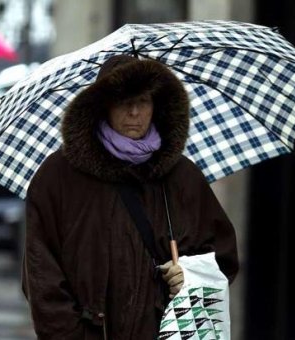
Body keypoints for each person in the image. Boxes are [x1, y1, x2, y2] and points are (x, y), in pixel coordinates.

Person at [23, 55, 239, 339]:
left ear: (157, 105)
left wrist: (191, 277)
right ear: (103, 105)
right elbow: (42, 276)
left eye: (144, 101)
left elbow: (221, 256)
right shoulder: (59, 177)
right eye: (123, 100)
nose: (134, 112)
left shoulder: (182, 177)